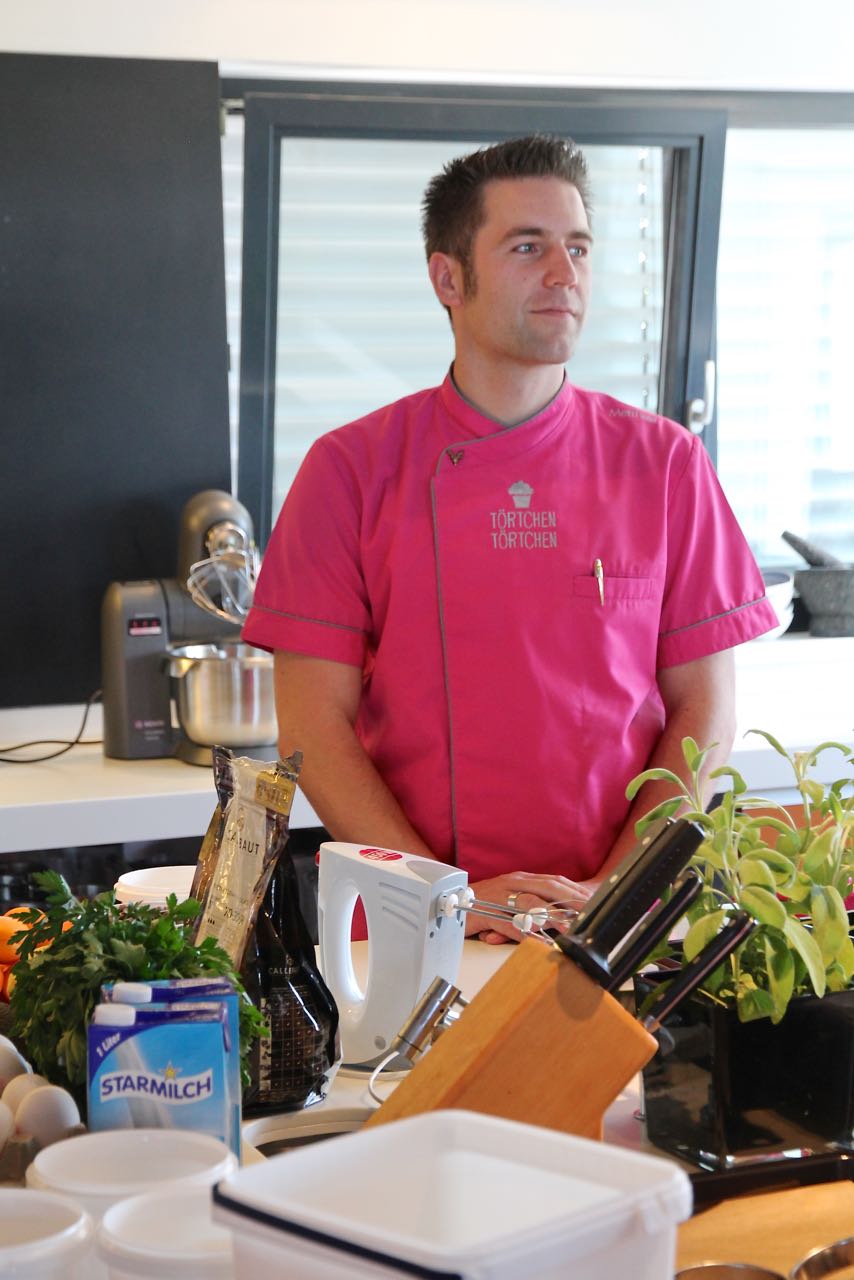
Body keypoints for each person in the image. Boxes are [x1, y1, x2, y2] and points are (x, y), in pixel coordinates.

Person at [242, 134, 777, 942]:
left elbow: (705, 710)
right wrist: (446, 900)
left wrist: (612, 893)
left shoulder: (665, 463)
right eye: (529, 247)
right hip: (413, 927)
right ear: (447, 278)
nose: (565, 273)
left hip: (609, 924)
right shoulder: (349, 471)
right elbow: (313, 729)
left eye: (578, 248)